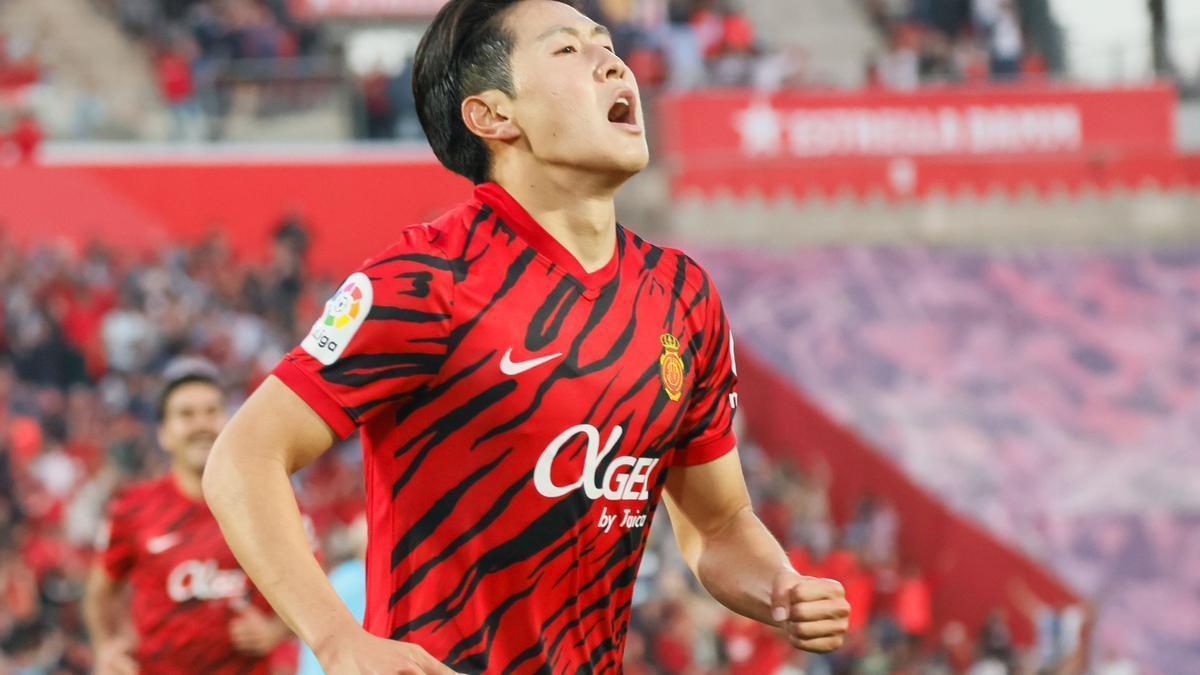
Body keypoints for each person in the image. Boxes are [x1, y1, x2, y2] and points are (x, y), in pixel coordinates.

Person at [203, 1, 851, 673]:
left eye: (608, 45)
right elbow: (243, 458)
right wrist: (337, 638)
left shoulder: (683, 296)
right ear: (493, 115)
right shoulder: (429, 278)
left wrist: (780, 588)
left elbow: (718, 525)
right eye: (568, 50)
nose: (613, 64)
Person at [82, 359, 302, 674]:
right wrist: (105, 647)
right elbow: (99, 593)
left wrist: (274, 631)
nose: (201, 424)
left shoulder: (267, 501)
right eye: (186, 414)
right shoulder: (132, 508)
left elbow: (313, 584)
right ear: (163, 433)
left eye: (212, 412)